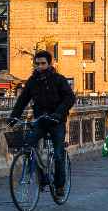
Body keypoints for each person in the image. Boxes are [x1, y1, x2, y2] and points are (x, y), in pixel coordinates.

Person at [9, 50, 76, 192]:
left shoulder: (59, 79)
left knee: (58, 154)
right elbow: (22, 100)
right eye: (37, 64)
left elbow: (70, 98)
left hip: (56, 122)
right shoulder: (32, 81)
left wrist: (58, 113)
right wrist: (14, 116)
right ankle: (42, 176)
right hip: (40, 120)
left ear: (50, 63)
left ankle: (59, 186)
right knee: (28, 146)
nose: (40, 66)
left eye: (43, 63)